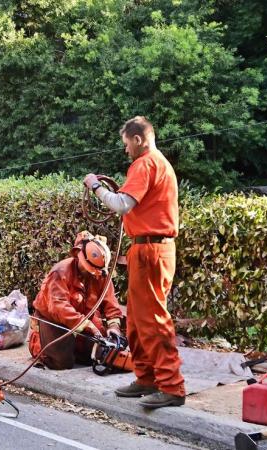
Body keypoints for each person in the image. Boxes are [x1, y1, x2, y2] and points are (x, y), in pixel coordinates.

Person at [83, 116, 185, 409]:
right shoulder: (156, 163)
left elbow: (121, 205)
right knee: (139, 320)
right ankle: (146, 378)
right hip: (149, 249)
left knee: (153, 319)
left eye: (126, 144)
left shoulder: (145, 163)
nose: (125, 150)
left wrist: (94, 186)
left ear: (138, 139)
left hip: (152, 250)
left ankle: (172, 387)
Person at [29, 231, 124, 370]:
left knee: (100, 356)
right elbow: (58, 308)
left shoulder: (101, 274)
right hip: (54, 320)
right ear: (79, 256)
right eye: (88, 269)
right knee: (61, 362)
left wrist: (114, 327)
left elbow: (110, 303)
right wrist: (87, 325)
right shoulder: (60, 272)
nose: (90, 273)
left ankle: (76, 348)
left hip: (84, 320)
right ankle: (40, 346)